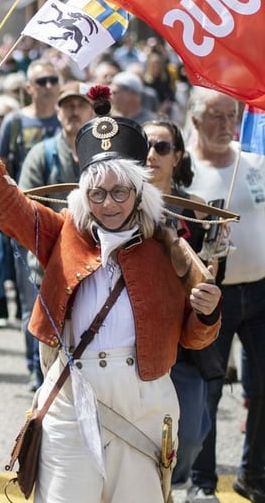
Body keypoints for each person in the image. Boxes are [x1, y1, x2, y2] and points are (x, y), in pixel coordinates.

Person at [0, 94, 222, 502]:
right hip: (72, 401)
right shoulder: (61, 233)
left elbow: (196, 338)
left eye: (120, 192)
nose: (108, 204)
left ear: (138, 192)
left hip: (144, 406)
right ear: (83, 194)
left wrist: (208, 312)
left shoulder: (169, 249)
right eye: (97, 193)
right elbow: (8, 204)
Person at [185, 88, 265, 503]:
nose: (225, 126)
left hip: (261, 291)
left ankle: (254, 475)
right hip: (214, 296)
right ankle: (202, 481)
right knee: (209, 392)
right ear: (195, 120)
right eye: (215, 117)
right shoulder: (186, 173)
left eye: (230, 116)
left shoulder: (254, 164)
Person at [140, 118, 221, 496]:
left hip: (184, 343)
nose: (151, 154)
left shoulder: (196, 210)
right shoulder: (120, 201)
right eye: (144, 144)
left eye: (162, 147)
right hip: (134, 339)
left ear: (178, 157)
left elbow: (213, 279)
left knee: (189, 437)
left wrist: (217, 260)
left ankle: (180, 483)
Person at [15, 83, 96, 391]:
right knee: (38, 320)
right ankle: (40, 380)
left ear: (90, 111)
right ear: (59, 112)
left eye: (80, 105)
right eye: (68, 105)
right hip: (47, 261)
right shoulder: (41, 153)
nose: (74, 111)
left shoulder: (102, 155)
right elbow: (25, 207)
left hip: (91, 264)